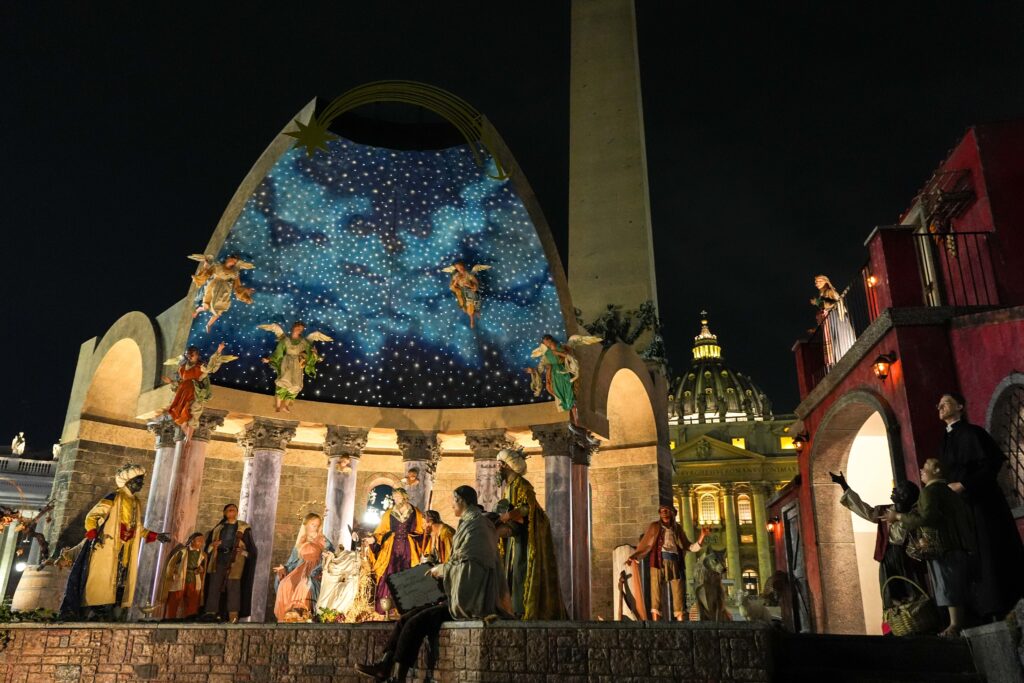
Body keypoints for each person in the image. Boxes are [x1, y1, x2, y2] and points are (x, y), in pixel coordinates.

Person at [357, 485, 510, 682]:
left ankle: (398, 677)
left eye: (453, 500)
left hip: (470, 601)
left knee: (415, 623)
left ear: (462, 501)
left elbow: (470, 566)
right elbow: (460, 561)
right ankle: (385, 666)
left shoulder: (477, 526)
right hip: (456, 593)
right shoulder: (469, 523)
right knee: (405, 618)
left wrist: (443, 570)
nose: (451, 505)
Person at [937, 392, 1024, 621]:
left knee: (991, 551)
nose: (940, 407)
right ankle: (984, 609)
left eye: (946, 403)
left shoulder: (973, 433)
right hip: (961, 507)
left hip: (983, 503)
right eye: (939, 405)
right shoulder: (945, 440)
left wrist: (965, 484)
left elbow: (991, 464)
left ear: (960, 406)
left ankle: (1003, 603)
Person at [59, 464, 171, 619]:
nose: (142, 483)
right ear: (129, 481)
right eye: (138, 480)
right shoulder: (114, 497)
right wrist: (93, 533)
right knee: (101, 583)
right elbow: (92, 516)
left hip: (126, 550)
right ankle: (90, 614)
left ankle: (113, 615)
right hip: (107, 546)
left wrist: (156, 536)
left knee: (120, 583)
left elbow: (137, 528)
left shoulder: (136, 502)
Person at [885, 458, 975, 637]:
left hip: (941, 545)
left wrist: (899, 517)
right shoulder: (949, 492)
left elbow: (926, 518)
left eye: (926, 467)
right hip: (959, 543)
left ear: (937, 470)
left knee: (947, 584)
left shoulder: (929, 492)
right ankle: (959, 621)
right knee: (957, 583)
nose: (921, 470)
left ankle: (954, 624)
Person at [830, 471, 926, 615]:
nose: (894, 489)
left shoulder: (914, 515)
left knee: (912, 590)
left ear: (905, 496)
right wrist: (844, 485)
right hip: (887, 556)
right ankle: (896, 620)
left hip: (907, 557)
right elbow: (865, 510)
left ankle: (917, 618)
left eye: (899, 489)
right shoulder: (884, 511)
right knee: (890, 593)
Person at [495, 447, 565, 620]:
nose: (497, 468)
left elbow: (528, 508)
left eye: (499, 464)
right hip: (513, 537)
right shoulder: (508, 487)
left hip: (525, 538)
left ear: (507, 466)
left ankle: (522, 610)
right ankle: (512, 609)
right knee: (511, 572)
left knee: (521, 571)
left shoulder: (522, 485)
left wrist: (508, 516)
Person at [627, 504, 708, 621]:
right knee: (656, 593)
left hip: (675, 562)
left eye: (667, 511)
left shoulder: (678, 529)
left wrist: (702, 536)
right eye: (662, 511)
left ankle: (680, 622)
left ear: (673, 513)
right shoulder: (654, 526)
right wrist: (636, 556)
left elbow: (689, 547)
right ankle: (656, 624)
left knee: (678, 592)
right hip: (658, 562)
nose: (664, 513)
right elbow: (646, 544)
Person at [372, 488, 426, 614]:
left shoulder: (415, 512)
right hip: (392, 547)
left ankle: (407, 607)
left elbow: (422, 530)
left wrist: (418, 536)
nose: (395, 499)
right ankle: (387, 608)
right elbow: (380, 531)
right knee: (390, 572)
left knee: (407, 572)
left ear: (404, 497)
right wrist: (373, 539)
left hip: (408, 547)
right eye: (394, 497)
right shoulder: (389, 513)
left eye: (397, 497)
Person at [258, 321, 332, 412]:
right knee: (284, 381)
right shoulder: (285, 340)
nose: (299, 330)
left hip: (297, 364)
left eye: (301, 329)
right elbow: (278, 352)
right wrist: (269, 359)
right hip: (287, 362)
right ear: (293, 327)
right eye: (298, 328)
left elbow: (310, 352)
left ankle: (285, 405)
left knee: (296, 384)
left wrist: (316, 356)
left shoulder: (304, 342)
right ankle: (278, 405)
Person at [201, 503, 257, 623]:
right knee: (214, 584)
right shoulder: (218, 528)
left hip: (236, 560)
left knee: (233, 586)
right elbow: (208, 547)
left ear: (237, 512)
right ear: (224, 513)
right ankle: (211, 613)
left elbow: (251, 549)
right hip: (218, 558)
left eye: (233, 510)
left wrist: (243, 552)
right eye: (229, 510)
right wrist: (212, 545)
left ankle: (233, 615)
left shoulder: (244, 528)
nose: (231, 511)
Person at [273, 512, 333, 622]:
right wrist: (284, 568)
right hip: (300, 568)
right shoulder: (301, 540)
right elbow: (293, 560)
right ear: (306, 525)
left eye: (317, 525)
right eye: (313, 524)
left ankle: (302, 614)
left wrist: (327, 556)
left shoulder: (322, 539)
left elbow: (331, 553)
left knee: (305, 583)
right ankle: (286, 617)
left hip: (316, 568)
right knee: (284, 584)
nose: (315, 527)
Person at [162, 343, 235, 432]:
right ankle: (186, 435)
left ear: (197, 355)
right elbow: (181, 382)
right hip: (183, 393)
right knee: (180, 415)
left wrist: (219, 350)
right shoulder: (182, 368)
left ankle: (189, 437)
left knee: (193, 414)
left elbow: (210, 367)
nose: (190, 357)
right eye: (188, 355)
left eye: (192, 355)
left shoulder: (200, 366)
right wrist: (170, 381)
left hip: (194, 393)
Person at [189, 253, 255, 332]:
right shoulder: (217, 266)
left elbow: (237, 286)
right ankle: (197, 311)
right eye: (233, 260)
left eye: (235, 262)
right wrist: (205, 264)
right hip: (213, 287)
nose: (234, 263)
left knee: (219, 310)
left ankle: (208, 324)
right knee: (206, 306)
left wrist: (246, 290)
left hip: (224, 291)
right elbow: (207, 273)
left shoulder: (234, 272)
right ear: (228, 259)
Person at [810, 274, 856, 366]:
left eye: (819, 281)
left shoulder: (830, 291)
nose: (817, 284)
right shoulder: (822, 294)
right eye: (816, 282)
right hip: (829, 320)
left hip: (836, 317)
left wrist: (819, 302)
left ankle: (843, 355)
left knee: (838, 337)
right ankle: (836, 360)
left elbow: (837, 302)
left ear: (825, 282)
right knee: (832, 340)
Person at [162, 532, 207, 620]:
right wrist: (173, 573)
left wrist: (200, 569)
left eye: (202, 541)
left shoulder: (203, 555)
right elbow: (173, 564)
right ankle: (170, 620)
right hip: (180, 578)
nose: (201, 543)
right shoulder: (182, 552)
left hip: (194, 580)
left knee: (192, 602)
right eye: (199, 540)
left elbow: (203, 567)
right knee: (174, 600)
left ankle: (189, 620)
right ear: (192, 541)